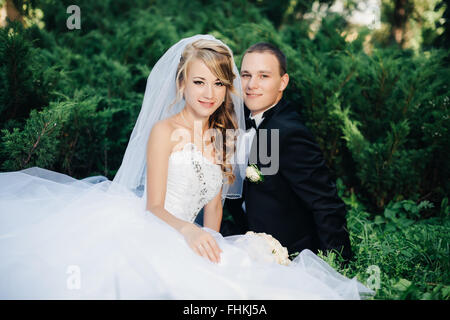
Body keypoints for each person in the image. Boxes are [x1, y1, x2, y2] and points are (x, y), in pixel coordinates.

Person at [0, 35, 373, 299]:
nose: (208, 92)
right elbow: (155, 206)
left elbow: (215, 208)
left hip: (199, 237)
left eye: (217, 83)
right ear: (181, 84)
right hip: (153, 227)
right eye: (198, 82)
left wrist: (212, 249)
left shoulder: (225, 135)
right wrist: (191, 234)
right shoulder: (164, 132)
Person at [223, 42, 353, 263]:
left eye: (263, 76)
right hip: (244, 241)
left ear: (283, 82)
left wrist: (338, 267)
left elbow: (326, 203)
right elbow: (253, 183)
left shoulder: (289, 133)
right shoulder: (237, 123)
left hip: (286, 253)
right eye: (246, 75)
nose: (252, 85)